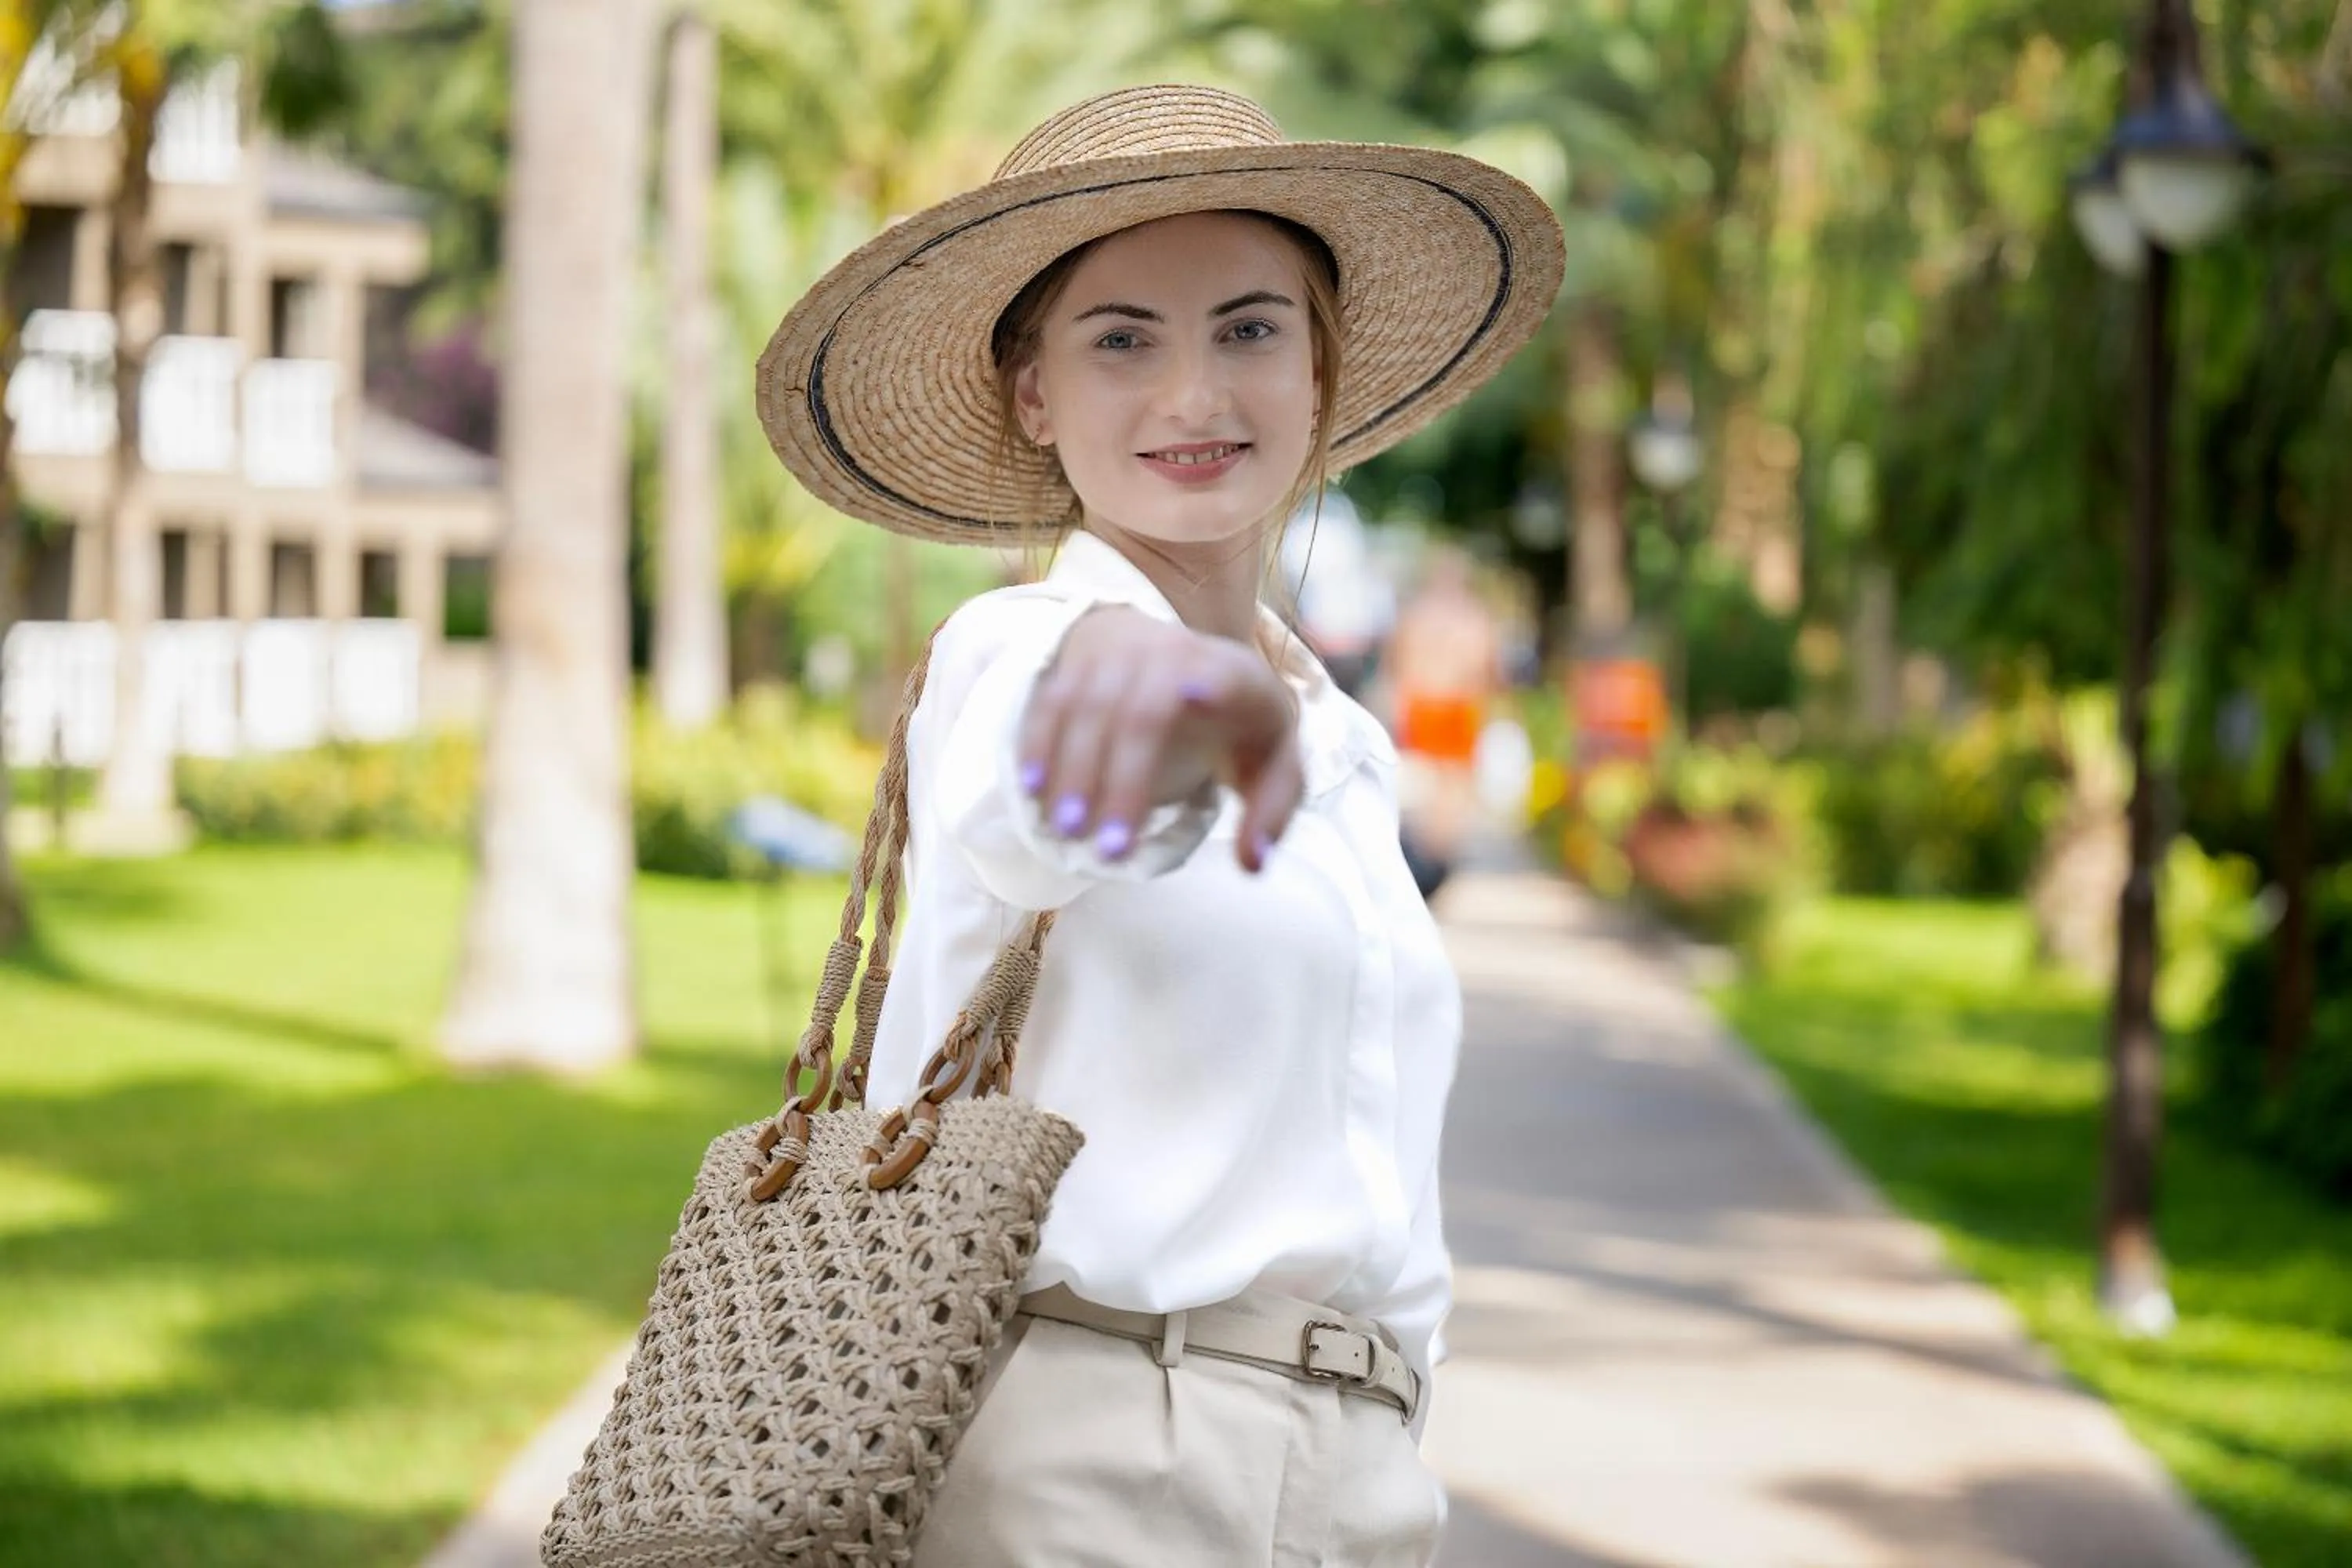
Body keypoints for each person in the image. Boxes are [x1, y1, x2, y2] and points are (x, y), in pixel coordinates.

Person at [756, 83, 1563, 1567]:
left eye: (1249, 329)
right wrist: (1155, 710)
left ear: (1319, 373)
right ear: (1034, 395)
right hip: (1099, 1465)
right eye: (1122, 338)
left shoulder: (1345, 744)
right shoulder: (1019, 655)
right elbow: (1043, 794)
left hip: (1358, 1483)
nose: (1194, 394)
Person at [1387, 545, 1508, 877]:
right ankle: (1441, 851)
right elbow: (1489, 665)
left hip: (1429, 700)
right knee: (1451, 781)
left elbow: (1397, 663)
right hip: (1454, 702)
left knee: (1436, 779)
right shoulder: (1474, 617)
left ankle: (1434, 851)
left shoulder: (1417, 614)